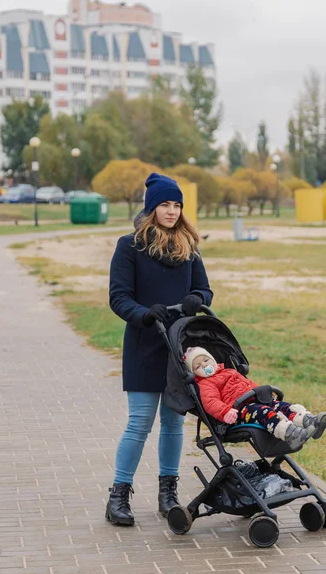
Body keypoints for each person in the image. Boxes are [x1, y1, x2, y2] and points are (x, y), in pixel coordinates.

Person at [106, 173, 213, 526]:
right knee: (139, 423)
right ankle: (119, 495)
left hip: (179, 346)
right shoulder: (129, 246)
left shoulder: (188, 247)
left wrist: (197, 299)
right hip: (144, 343)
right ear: (151, 208)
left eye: (177, 204)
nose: (172, 211)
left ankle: (168, 493)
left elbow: (204, 291)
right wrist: (143, 314)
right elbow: (118, 297)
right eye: (165, 204)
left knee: (172, 424)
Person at [183, 347, 326, 450]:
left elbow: (249, 384)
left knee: (282, 406)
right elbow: (210, 402)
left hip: (255, 399)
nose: (204, 365)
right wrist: (225, 412)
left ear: (213, 359)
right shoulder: (206, 384)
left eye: (206, 360)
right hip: (240, 410)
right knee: (264, 412)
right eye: (198, 366)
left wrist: (264, 394)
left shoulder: (230, 371)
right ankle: (291, 434)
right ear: (194, 373)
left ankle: (309, 421)